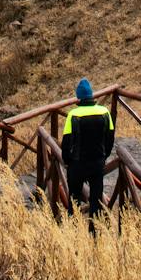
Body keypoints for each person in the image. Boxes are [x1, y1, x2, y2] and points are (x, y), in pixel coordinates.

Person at [61, 79, 114, 219]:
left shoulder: (73, 114)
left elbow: (66, 142)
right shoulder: (104, 112)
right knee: (96, 200)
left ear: (78, 97)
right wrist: (104, 156)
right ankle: (94, 232)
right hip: (97, 162)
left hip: (77, 164)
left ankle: (74, 229)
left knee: (74, 200)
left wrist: (67, 161)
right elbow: (110, 138)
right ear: (91, 96)